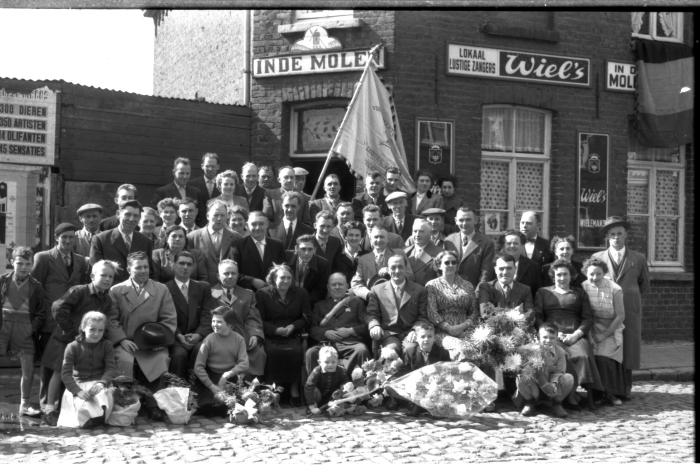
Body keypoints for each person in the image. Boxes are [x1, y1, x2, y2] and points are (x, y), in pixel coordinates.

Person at [41, 259, 119, 426]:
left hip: (87, 341)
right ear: (92, 276)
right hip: (65, 339)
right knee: (58, 372)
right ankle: (49, 409)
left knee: (76, 374)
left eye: (111, 277)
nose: (107, 279)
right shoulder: (78, 291)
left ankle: (74, 409)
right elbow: (58, 307)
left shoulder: (106, 299)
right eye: (103, 275)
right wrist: (71, 330)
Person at [32, 222, 90, 414]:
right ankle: (45, 404)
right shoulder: (43, 258)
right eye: (63, 237)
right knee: (49, 363)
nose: (67, 241)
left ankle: (63, 403)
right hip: (50, 319)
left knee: (67, 363)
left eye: (71, 237)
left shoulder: (81, 260)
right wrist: (39, 316)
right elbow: (35, 288)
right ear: (56, 238)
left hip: (70, 320)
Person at [592, 216, 649, 400]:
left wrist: (632, 298)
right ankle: (608, 388)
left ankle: (625, 387)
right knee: (608, 345)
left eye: (619, 234)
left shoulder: (638, 258)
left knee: (628, 348)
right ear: (607, 237)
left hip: (630, 310)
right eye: (612, 234)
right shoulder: (597, 258)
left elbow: (644, 285)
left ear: (626, 235)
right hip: (605, 309)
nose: (616, 238)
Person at [534, 258, 602, 409]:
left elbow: (588, 318)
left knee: (582, 356)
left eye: (565, 275)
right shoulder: (543, 292)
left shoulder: (579, 293)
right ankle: (568, 395)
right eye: (558, 275)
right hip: (551, 335)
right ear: (553, 276)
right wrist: (551, 334)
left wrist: (576, 335)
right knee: (560, 355)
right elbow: (538, 316)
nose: (562, 278)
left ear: (571, 276)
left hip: (574, 334)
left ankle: (584, 396)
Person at [108, 251, 177, 388]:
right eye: (138, 267)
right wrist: (121, 340)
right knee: (123, 361)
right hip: (126, 343)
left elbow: (169, 319)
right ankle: (126, 401)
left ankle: (155, 402)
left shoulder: (161, 289)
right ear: (129, 269)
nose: (143, 271)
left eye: (146, 267)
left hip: (153, 343)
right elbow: (111, 320)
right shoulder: (116, 290)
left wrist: (159, 340)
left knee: (161, 359)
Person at [0, 247, 48, 417]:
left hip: (26, 328)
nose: (24, 267)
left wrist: (31, 329)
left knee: (27, 371)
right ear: (12, 262)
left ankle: (25, 404)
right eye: (20, 263)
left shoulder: (36, 286)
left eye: (28, 264)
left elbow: (42, 313)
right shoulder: (3, 281)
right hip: (3, 326)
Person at [255, 264, 310, 406]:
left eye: (288, 278)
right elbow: (258, 319)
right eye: (282, 277)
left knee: (296, 352)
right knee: (273, 353)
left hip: (293, 333)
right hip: (271, 334)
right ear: (273, 278)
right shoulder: (262, 294)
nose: (285, 281)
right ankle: (273, 390)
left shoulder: (301, 293)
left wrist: (293, 326)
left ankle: (293, 388)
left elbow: (306, 317)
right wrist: (275, 330)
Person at [57, 311, 116, 428]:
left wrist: (102, 383)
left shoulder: (107, 345)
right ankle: (88, 420)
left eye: (100, 330)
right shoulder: (72, 347)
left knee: (102, 396)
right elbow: (66, 374)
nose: (96, 334)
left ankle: (99, 418)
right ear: (83, 328)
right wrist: (77, 391)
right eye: (92, 329)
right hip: (79, 385)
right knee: (83, 406)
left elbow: (111, 369)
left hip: (99, 384)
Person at [581, 257, 626, 406]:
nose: (594, 278)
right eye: (591, 274)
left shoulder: (615, 289)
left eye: (598, 274)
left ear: (604, 273)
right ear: (585, 273)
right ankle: (596, 393)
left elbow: (620, 316)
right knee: (591, 357)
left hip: (611, 328)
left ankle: (610, 393)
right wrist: (591, 335)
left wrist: (604, 335)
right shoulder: (583, 287)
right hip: (590, 327)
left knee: (604, 358)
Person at [210, 259, 266, 377]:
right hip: (218, 336)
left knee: (259, 353)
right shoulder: (210, 293)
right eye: (226, 273)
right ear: (218, 276)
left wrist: (254, 335)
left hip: (243, 338)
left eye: (233, 273)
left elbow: (253, 318)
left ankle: (251, 390)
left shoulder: (248, 294)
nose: (230, 276)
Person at [306, 273, 370, 375]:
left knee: (362, 350)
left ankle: (352, 384)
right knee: (311, 353)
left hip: (350, 344)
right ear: (328, 287)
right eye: (333, 284)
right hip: (326, 344)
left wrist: (351, 331)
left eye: (340, 284)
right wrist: (325, 333)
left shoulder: (357, 302)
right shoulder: (319, 305)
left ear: (347, 286)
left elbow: (367, 326)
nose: (337, 287)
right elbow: (312, 328)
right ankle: (314, 388)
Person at [366, 253, 428, 357]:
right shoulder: (377, 290)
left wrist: (415, 330)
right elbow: (371, 314)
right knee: (391, 351)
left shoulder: (419, 290)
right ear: (388, 269)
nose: (397, 271)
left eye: (400, 267)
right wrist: (374, 325)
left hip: (410, 331)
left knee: (410, 349)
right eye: (393, 268)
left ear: (406, 268)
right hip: (389, 333)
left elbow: (423, 317)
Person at [166, 250, 216, 379]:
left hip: (198, 336)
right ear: (173, 265)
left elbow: (207, 315)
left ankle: (199, 393)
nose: (185, 267)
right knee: (179, 355)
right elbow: (164, 317)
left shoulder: (203, 288)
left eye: (189, 264)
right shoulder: (164, 288)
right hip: (175, 337)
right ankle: (177, 391)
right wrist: (178, 335)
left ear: (193, 267)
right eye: (181, 263)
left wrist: (199, 334)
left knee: (202, 350)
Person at [193, 306, 250, 414]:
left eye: (219, 322)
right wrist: (211, 386)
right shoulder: (209, 340)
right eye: (213, 321)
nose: (214, 324)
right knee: (208, 406)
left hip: (229, 377)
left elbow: (244, 363)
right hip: (211, 377)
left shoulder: (239, 339)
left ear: (230, 325)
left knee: (239, 402)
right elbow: (198, 367)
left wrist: (227, 374)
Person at [424, 250, 477, 359]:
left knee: (482, 347)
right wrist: (450, 328)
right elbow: (432, 312)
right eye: (447, 262)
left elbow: (474, 311)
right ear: (439, 265)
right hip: (442, 332)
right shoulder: (432, 285)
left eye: (454, 262)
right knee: (462, 348)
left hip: (465, 330)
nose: (451, 265)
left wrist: (463, 326)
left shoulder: (467, 285)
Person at [515, 323, 575, 418]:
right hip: (534, 386)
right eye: (545, 337)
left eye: (552, 338)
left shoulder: (560, 352)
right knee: (521, 378)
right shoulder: (531, 349)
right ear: (539, 337)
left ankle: (556, 403)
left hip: (552, 387)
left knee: (568, 378)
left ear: (556, 338)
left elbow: (560, 371)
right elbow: (517, 351)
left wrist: (553, 384)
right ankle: (530, 402)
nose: (548, 340)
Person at [90, 199, 155, 283]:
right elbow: (96, 271)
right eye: (127, 214)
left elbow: (150, 272)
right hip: (109, 291)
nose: (131, 219)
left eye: (135, 216)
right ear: (118, 214)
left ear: (139, 218)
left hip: (138, 292)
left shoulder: (146, 242)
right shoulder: (101, 239)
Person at [351, 226, 414, 301]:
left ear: (387, 240)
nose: (379, 240)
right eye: (376, 237)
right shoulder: (363, 259)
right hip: (372, 302)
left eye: (382, 237)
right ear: (371, 240)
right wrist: (368, 294)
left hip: (397, 299)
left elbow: (410, 276)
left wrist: (391, 271)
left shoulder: (399, 254)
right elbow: (356, 283)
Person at [188, 200, 242, 285]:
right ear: (208, 216)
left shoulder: (236, 238)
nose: (219, 218)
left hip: (228, 287)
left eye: (222, 215)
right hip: (202, 287)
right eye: (216, 215)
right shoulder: (192, 237)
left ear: (227, 216)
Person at [444, 207, 495, 287]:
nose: (464, 223)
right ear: (456, 221)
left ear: (475, 220)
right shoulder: (449, 241)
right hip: (450, 292)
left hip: (473, 291)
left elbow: (486, 273)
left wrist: (478, 293)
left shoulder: (487, 243)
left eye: (468, 220)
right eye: (461, 220)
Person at [235, 211, 286, 291]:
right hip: (247, 294)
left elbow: (284, 270)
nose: (258, 227)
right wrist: (252, 281)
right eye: (254, 224)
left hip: (272, 293)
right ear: (247, 226)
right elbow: (233, 273)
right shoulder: (237, 246)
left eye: (261, 224)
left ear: (267, 225)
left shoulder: (277, 245)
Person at [152, 157, 207, 228]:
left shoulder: (196, 192)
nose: (185, 176)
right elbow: (156, 216)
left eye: (187, 173)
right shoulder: (162, 192)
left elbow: (201, 217)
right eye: (181, 173)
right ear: (173, 172)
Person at [487, 229, 541, 298]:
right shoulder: (493, 265)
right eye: (508, 243)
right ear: (503, 246)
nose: (512, 246)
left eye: (515, 243)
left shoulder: (533, 267)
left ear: (522, 245)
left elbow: (537, 293)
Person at [287, 234, 330, 306]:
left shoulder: (323, 264)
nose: (306, 253)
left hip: (308, 303)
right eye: (303, 249)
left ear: (315, 250)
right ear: (296, 249)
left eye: (310, 249)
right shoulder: (286, 257)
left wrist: (302, 302)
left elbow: (320, 291)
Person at [305, 345, 348, 415]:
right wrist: (311, 405)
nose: (330, 365)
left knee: (342, 391)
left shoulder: (341, 370)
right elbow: (308, 386)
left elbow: (345, 381)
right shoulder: (316, 371)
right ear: (319, 362)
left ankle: (333, 408)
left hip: (332, 396)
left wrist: (345, 386)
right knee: (313, 389)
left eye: (333, 362)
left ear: (337, 361)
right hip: (318, 396)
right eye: (326, 362)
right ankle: (312, 408)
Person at [404, 219, 441, 286]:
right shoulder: (405, 252)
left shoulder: (439, 253)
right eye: (415, 231)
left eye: (421, 231)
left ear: (430, 233)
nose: (417, 234)